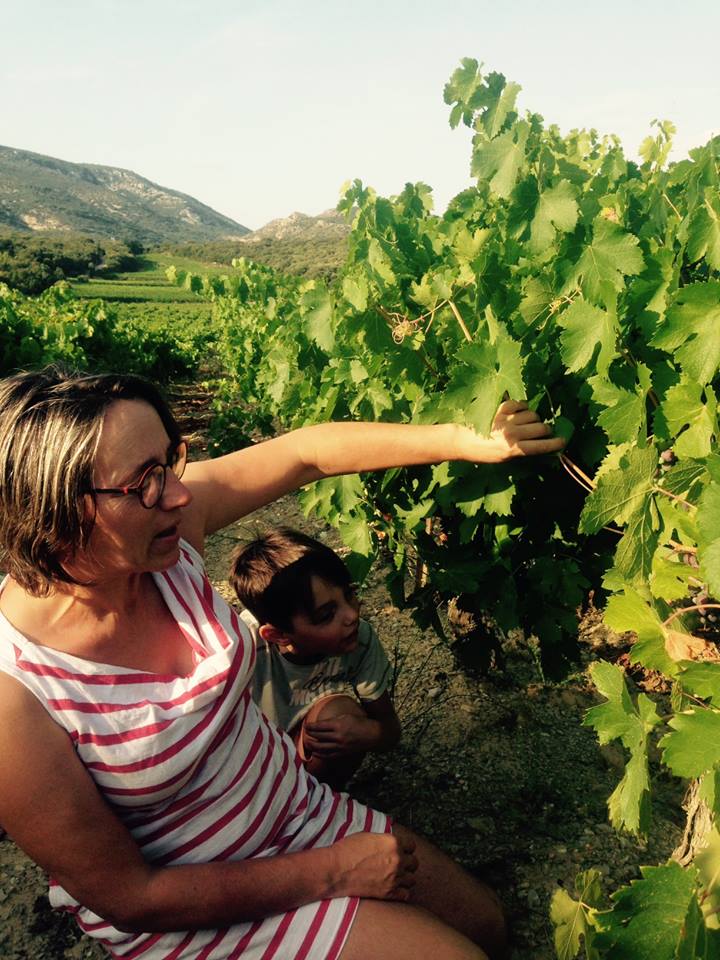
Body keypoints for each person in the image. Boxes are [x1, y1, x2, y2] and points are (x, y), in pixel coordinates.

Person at [0, 364, 564, 960]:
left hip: (296, 808)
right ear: (55, 506)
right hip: (197, 907)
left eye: (171, 462)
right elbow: (133, 896)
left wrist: (462, 439)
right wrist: (334, 872)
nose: (179, 493)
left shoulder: (159, 541)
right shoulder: (15, 699)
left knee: (487, 927)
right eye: (143, 481)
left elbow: (307, 453)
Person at [230, 527, 401, 789]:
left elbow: (390, 732)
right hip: (245, 765)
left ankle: (310, 802)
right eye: (325, 615)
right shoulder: (244, 648)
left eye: (349, 594)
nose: (351, 615)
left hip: (297, 755)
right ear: (278, 635)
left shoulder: (360, 639)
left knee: (340, 715)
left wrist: (369, 732)